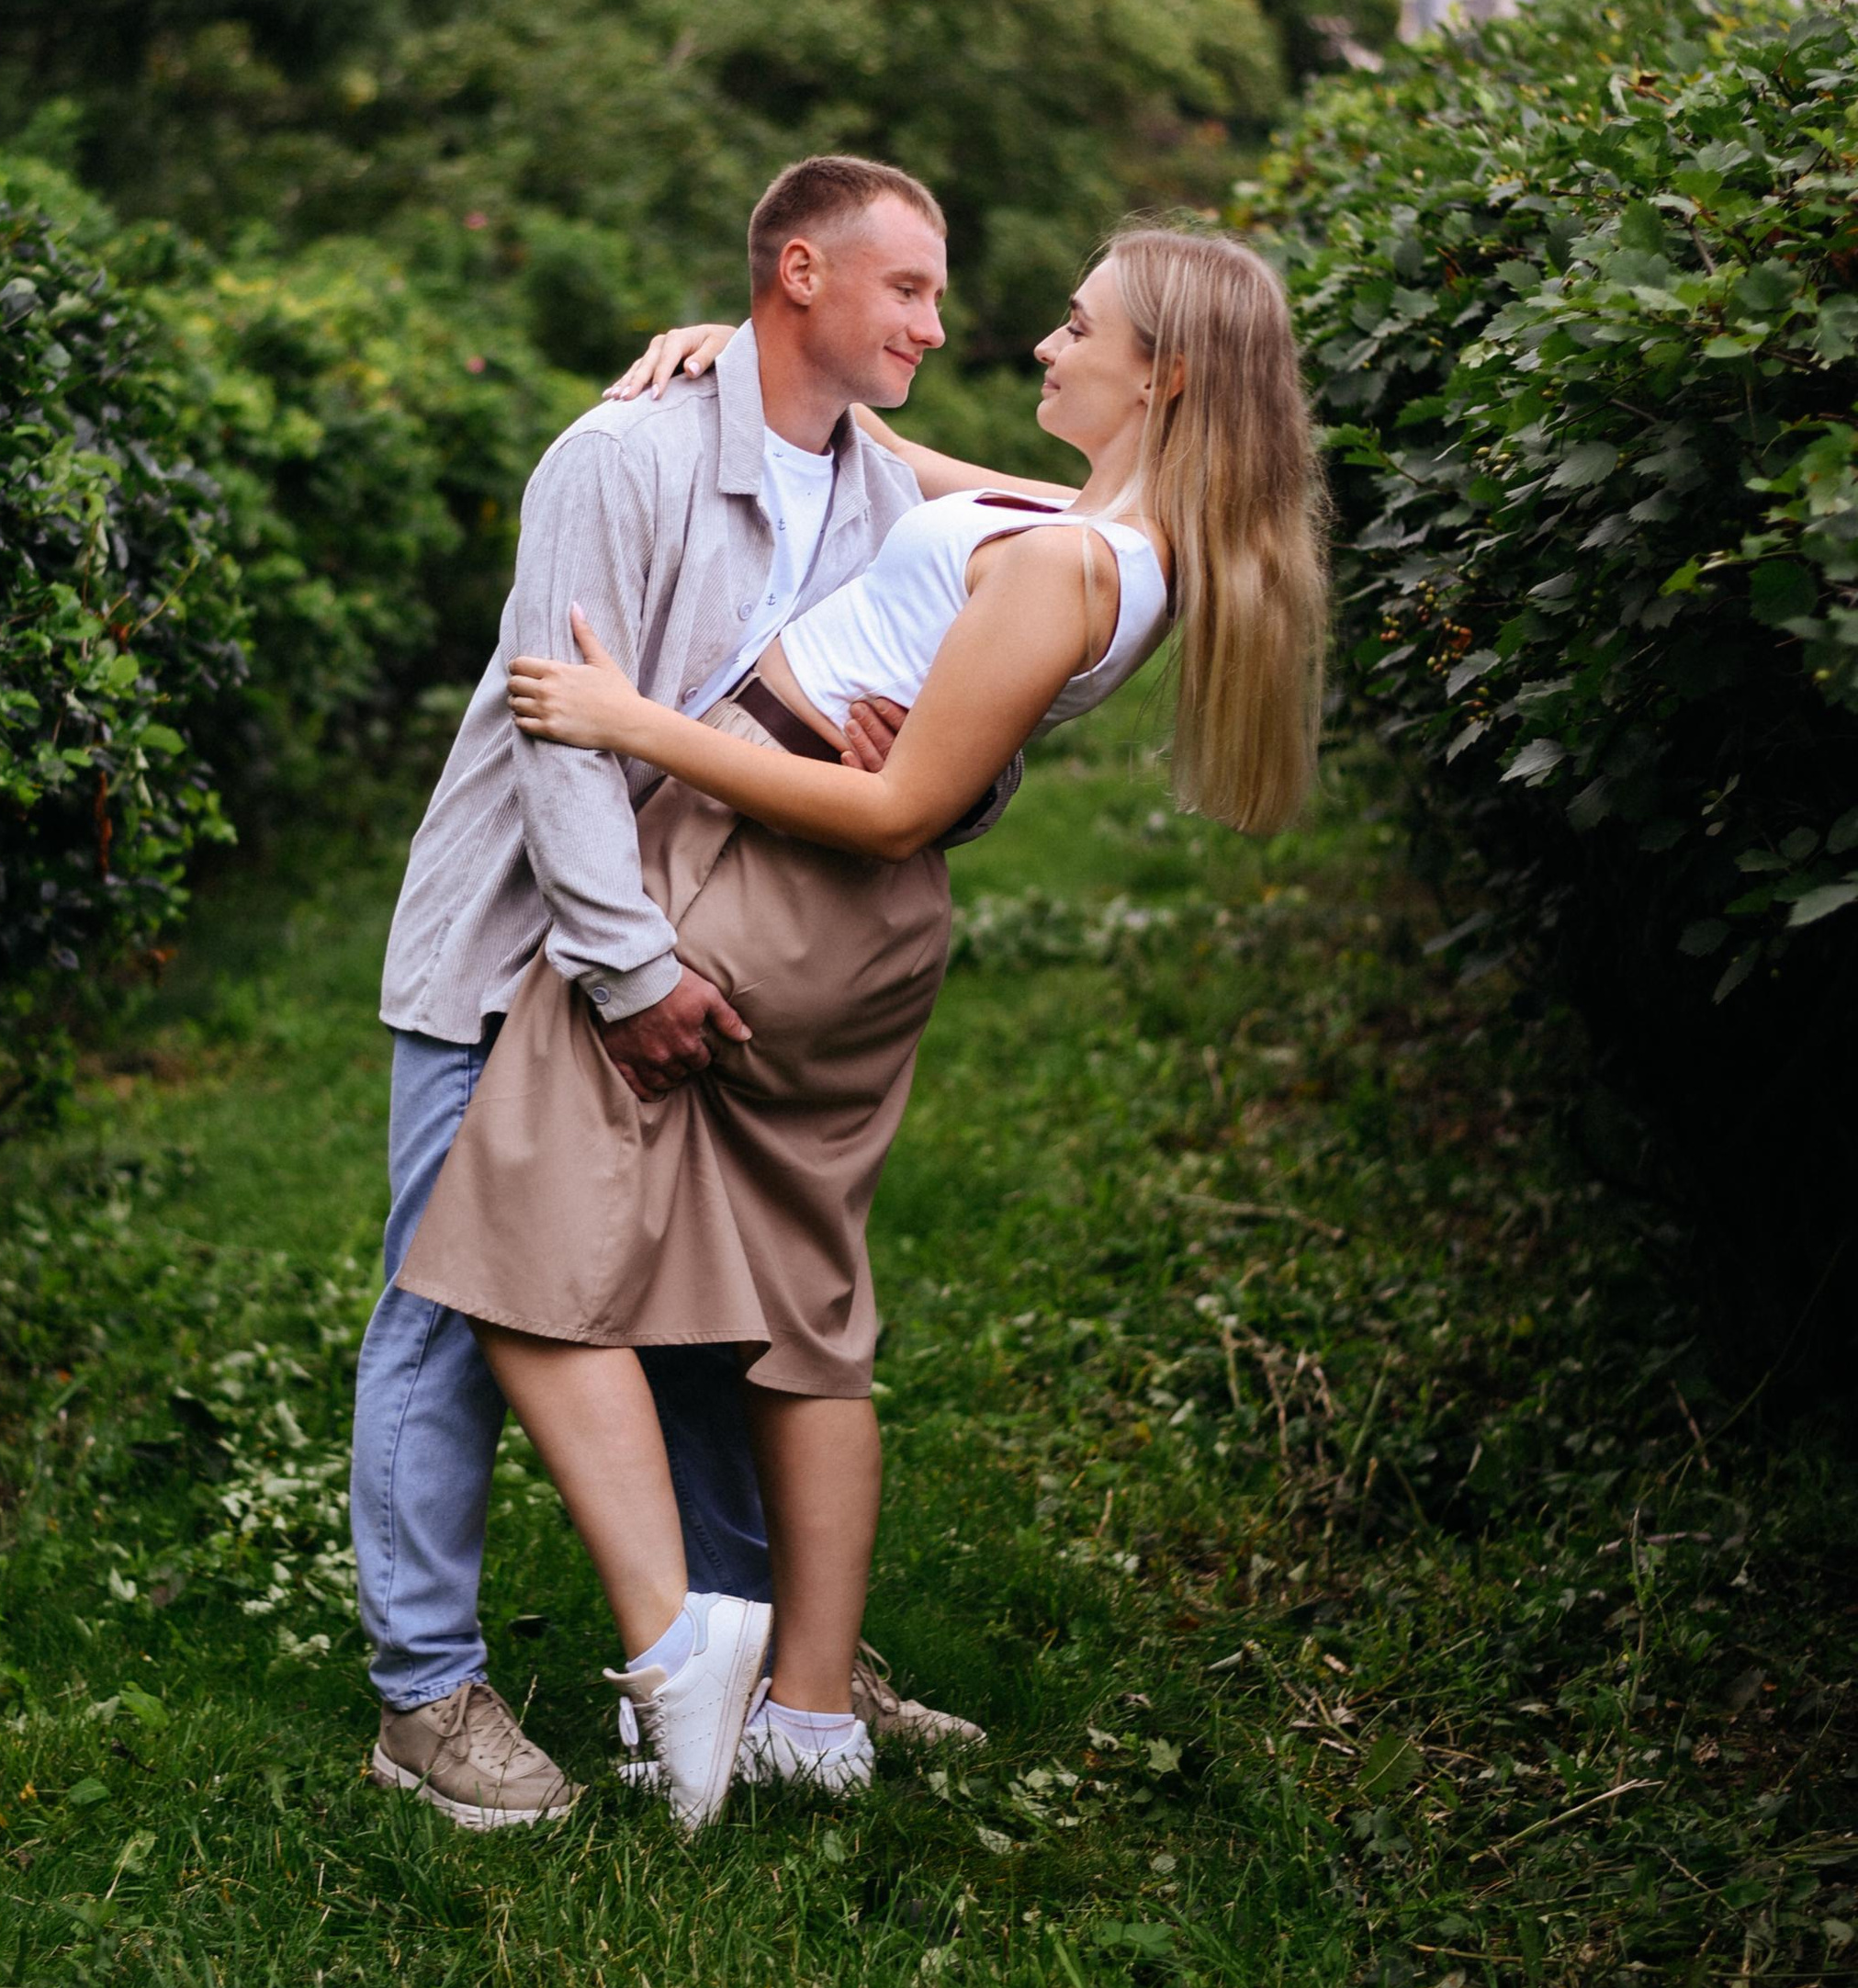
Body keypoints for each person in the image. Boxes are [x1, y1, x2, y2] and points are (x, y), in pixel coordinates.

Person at [399, 226, 1327, 1832]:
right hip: (844, 924)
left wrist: (637, 725)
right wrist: (744, 331)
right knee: (799, 1309)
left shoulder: (1070, 558)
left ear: (1162, 373)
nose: (1039, 341)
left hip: (780, 877)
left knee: (511, 1239)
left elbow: (901, 804)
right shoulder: (1093, 518)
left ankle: (681, 1651)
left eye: (1078, 325)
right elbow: (873, 446)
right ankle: (811, 1714)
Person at [353, 153, 1011, 1829]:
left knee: (717, 1318)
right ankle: (426, 1697)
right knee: (453, 1317)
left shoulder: (889, 503)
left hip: (736, 955)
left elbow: (955, 741)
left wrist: (927, 765)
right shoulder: (624, 452)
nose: (937, 324)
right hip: (526, 944)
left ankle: (791, 1661)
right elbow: (555, 716)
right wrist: (624, 963)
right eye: (909, 289)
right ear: (800, 273)